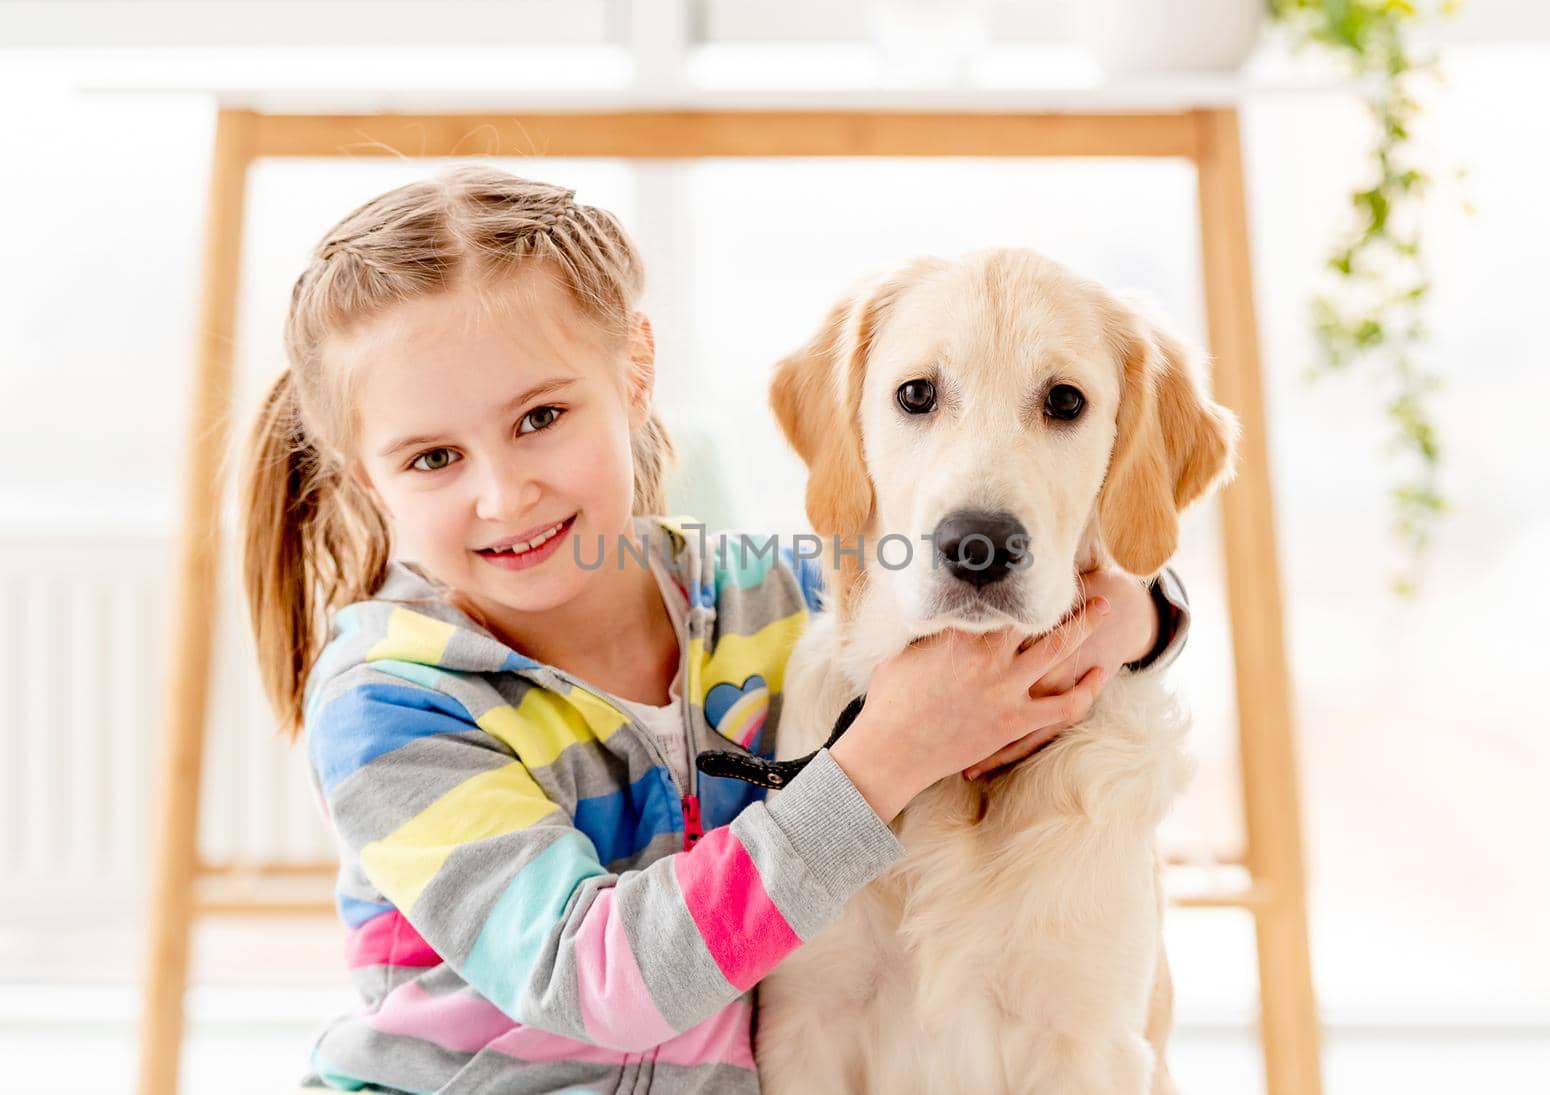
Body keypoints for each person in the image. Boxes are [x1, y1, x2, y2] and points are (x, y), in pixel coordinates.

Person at [239, 165, 1193, 1094]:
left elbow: (948, 578)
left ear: (636, 373)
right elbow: (593, 979)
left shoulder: (754, 592)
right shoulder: (388, 706)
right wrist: (886, 757)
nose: (503, 491)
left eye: (540, 416)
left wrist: (1140, 616)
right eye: (434, 455)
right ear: (369, 478)